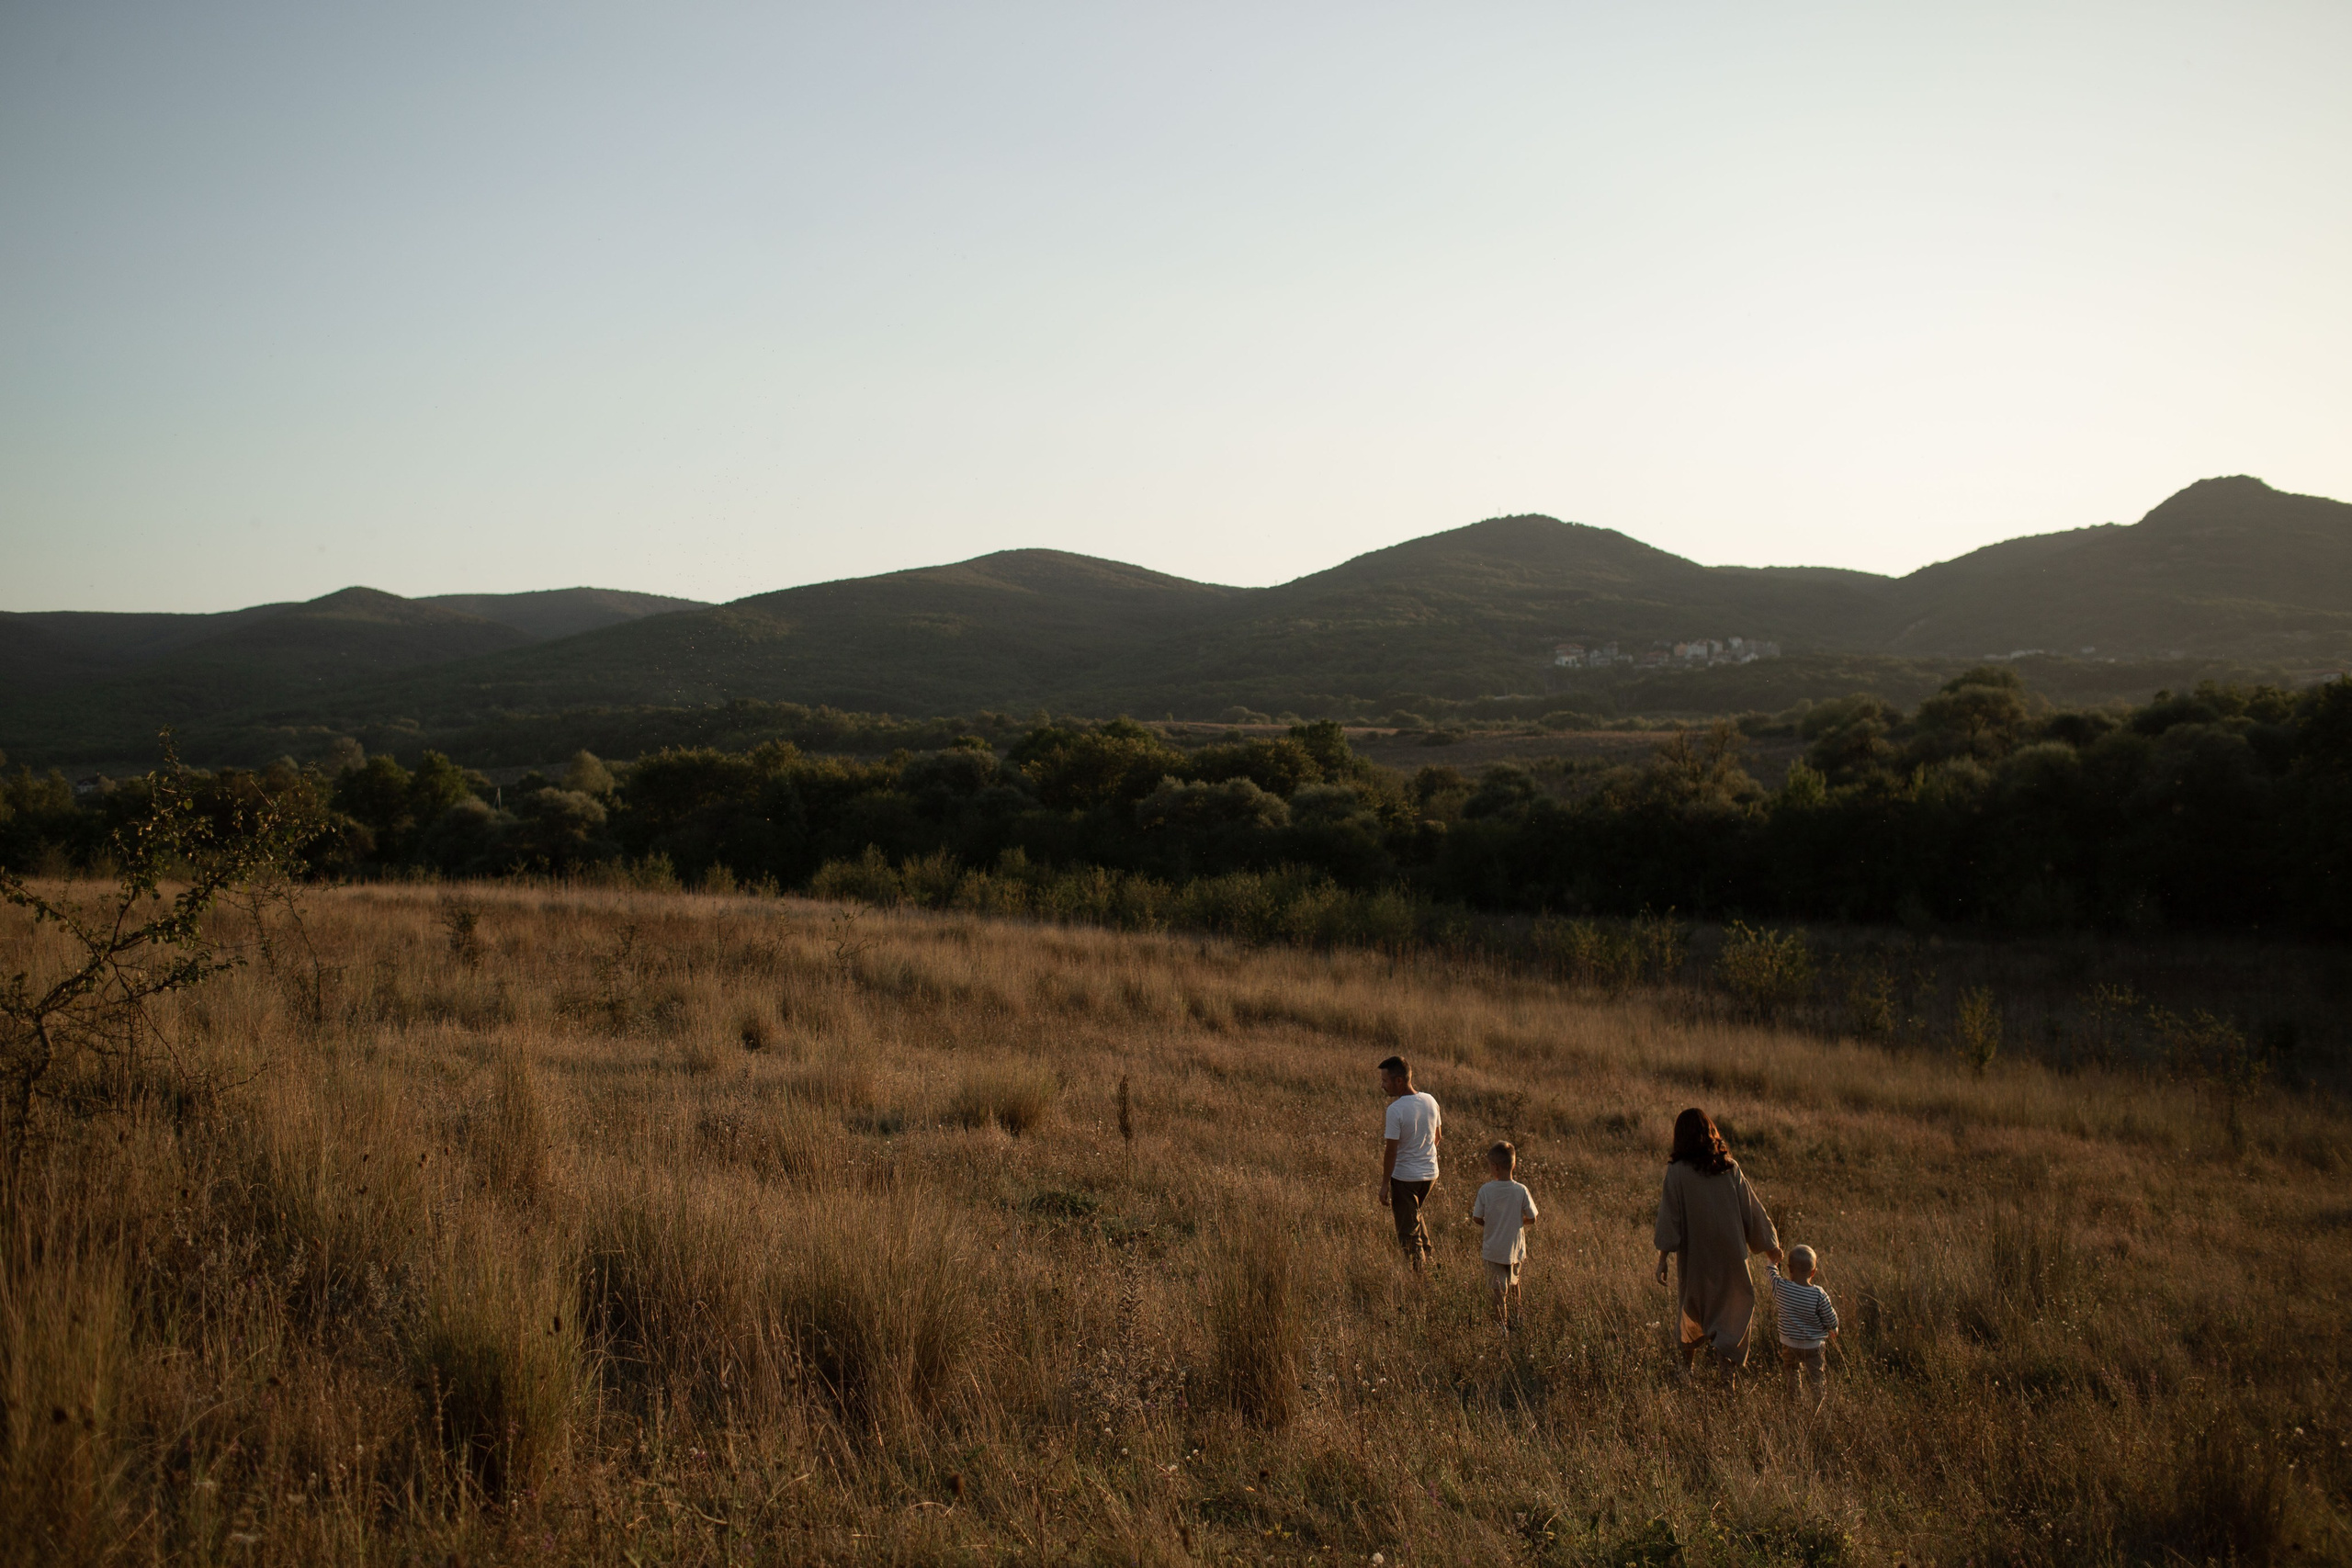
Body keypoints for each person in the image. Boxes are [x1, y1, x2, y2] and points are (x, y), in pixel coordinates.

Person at [1652, 1107, 1780, 1380]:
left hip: (1697, 1258)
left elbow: (1668, 1218)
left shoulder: (1677, 1172)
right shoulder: (1729, 1168)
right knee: (1730, 1311)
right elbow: (1752, 1211)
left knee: (1691, 1307)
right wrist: (1770, 1246)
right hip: (1731, 1256)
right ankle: (1726, 1377)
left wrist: (1663, 1258)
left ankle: (1686, 1370)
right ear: (1711, 1133)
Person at [1376, 1055, 1442, 1271]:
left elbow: (1391, 1152)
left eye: (1385, 1080)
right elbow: (1438, 1136)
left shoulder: (1395, 1110)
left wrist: (1385, 1184)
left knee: (1407, 1234)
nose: (1383, 1085)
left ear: (1398, 1081)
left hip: (1405, 1178)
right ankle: (1430, 1261)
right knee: (1415, 1216)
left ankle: (1419, 1278)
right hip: (1430, 1175)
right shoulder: (1430, 1100)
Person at [1469, 1141, 1539, 1329]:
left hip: (1493, 1250)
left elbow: (1476, 1218)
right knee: (1515, 1285)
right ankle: (1518, 1321)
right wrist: (1517, 1222)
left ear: (1495, 1167)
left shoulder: (1486, 1190)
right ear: (1514, 1165)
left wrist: (1491, 1224)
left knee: (1499, 1293)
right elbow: (1533, 1217)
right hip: (1515, 1249)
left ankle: (1502, 1330)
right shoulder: (1521, 1190)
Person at [1766, 1245, 1839, 1407]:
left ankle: (1794, 1402)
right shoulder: (1819, 1294)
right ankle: (1818, 1406)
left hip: (1789, 1344)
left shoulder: (1781, 1287)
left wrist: (1773, 1260)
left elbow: (1771, 1273)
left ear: (1789, 1269)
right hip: (1813, 1346)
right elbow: (1831, 1320)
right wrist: (1834, 1329)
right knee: (1816, 1377)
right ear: (1813, 1272)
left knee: (1792, 1372)